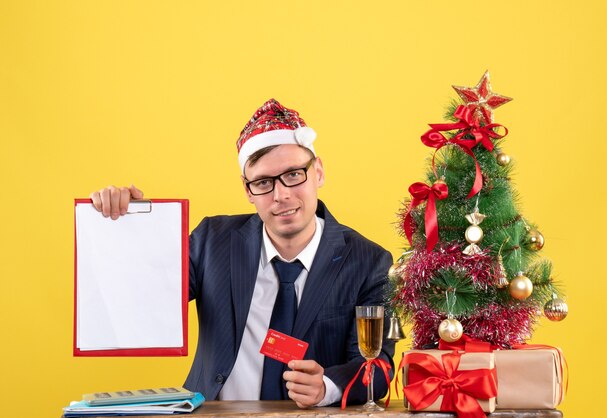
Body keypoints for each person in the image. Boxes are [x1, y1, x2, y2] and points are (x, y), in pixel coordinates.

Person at [90, 99, 395, 408]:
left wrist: (327, 387)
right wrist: (125, 226)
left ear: (318, 172)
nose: (281, 195)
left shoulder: (369, 262)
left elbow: (378, 365)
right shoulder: (213, 241)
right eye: (263, 182)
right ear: (248, 190)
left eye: (293, 175)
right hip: (213, 414)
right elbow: (151, 294)